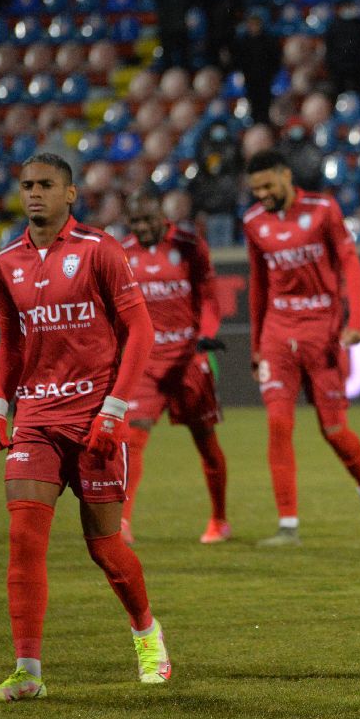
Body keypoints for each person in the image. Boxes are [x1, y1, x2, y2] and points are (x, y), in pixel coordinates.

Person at [0, 153, 170, 702]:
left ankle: (146, 633)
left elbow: (141, 331)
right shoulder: (5, 262)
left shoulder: (99, 250)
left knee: (104, 546)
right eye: (26, 185)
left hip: (93, 420)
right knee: (23, 540)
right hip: (36, 419)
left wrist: (114, 409)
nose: (34, 193)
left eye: (45, 185)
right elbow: (12, 342)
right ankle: (27, 673)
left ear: (70, 194)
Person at [242, 149, 360, 546]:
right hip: (277, 334)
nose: (262, 195)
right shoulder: (253, 222)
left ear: (286, 176)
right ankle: (288, 525)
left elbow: (351, 264)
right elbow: (258, 285)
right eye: (256, 190)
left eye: (268, 186)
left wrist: (355, 323)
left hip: (323, 332)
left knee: (334, 430)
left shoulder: (322, 210)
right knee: (278, 424)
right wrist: (256, 346)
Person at [120, 190, 229, 545]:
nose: (142, 227)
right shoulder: (121, 253)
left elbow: (209, 298)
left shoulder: (189, 245)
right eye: (135, 222)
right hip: (147, 361)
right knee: (132, 438)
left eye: (147, 220)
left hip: (188, 359)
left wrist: (206, 334)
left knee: (205, 441)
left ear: (162, 216)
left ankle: (219, 520)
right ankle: (122, 522)